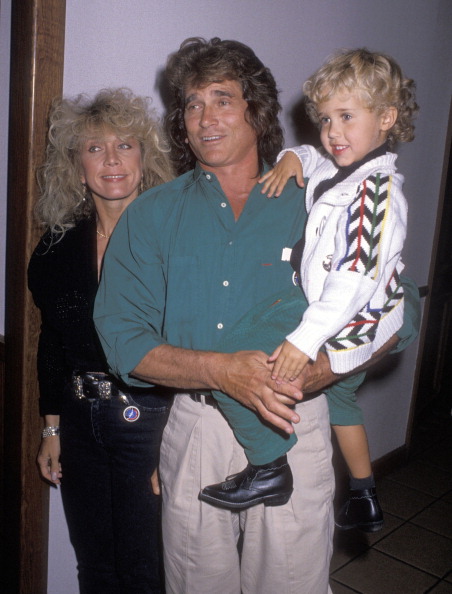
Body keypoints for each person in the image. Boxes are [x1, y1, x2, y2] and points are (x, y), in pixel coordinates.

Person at [94, 38, 420, 593]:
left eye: (222, 98)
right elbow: (122, 340)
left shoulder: (320, 195)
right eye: (192, 104)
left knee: (290, 583)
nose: (204, 117)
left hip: (296, 418)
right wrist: (221, 372)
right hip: (197, 426)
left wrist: (325, 368)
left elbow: (400, 303)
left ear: (257, 110)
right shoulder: (153, 214)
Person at [200, 48, 419, 535]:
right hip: (328, 308)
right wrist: (292, 158)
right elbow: (312, 159)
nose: (333, 132)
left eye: (347, 116)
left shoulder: (376, 194)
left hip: (349, 316)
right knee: (337, 400)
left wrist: (305, 339)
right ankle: (359, 493)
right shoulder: (343, 170)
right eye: (325, 119)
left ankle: (271, 467)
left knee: (240, 356)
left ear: (386, 118)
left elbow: (353, 280)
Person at [28, 88, 174, 594]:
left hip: (151, 418)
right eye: (94, 148)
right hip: (79, 419)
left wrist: (176, 442)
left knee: (146, 563)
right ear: (77, 163)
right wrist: (51, 429)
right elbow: (52, 342)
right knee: (93, 562)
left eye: (125, 145)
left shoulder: (174, 238)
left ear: (145, 156)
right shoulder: (57, 247)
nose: (111, 160)